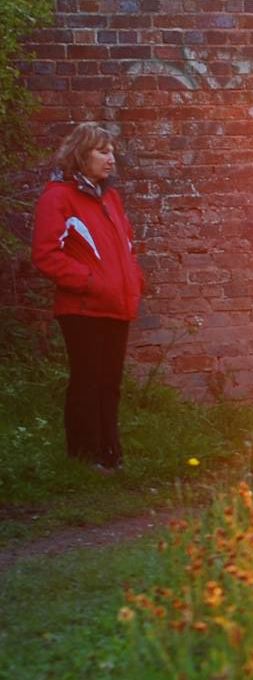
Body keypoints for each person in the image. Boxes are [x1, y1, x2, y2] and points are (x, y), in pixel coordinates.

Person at [30, 122, 145, 470]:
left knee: (110, 384)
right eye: (102, 151)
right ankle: (84, 457)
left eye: (111, 151)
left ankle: (111, 455)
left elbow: (126, 247)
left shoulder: (110, 197)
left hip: (116, 305)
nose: (111, 159)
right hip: (82, 308)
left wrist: (134, 279)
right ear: (82, 155)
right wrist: (91, 282)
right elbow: (45, 254)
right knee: (87, 381)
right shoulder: (58, 196)